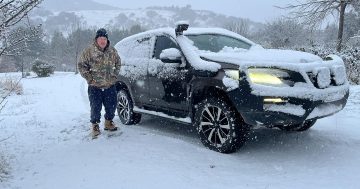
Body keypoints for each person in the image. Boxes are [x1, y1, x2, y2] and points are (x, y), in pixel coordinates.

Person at [78, 28, 121, 138]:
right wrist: (89, 79)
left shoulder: (112, 51)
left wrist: (114, 76)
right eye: (100, 39)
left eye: (104, 39)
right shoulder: (89, 51)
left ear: (107, 40)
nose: (103, 41)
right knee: (95, 108)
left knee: (111, 106)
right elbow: (81, 65)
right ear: (97, 39)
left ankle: (108, 122)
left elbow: (118, 63)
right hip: (95, 86)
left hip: (109, 85)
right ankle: (95, 125)